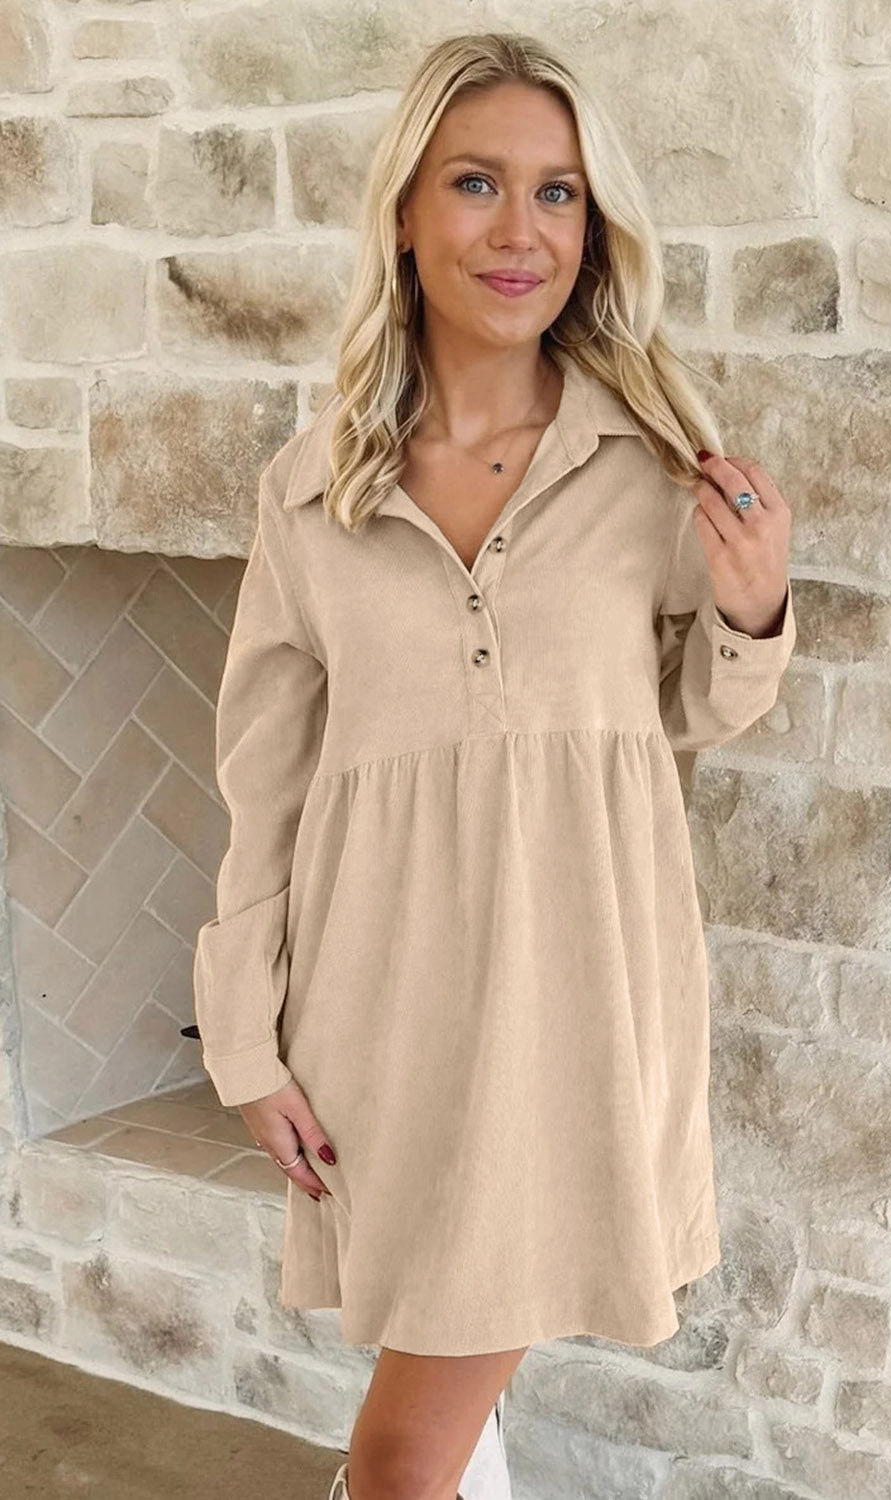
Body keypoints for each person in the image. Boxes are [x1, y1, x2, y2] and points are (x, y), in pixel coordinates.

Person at [192, 30, 796, 1500]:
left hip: (580, 993)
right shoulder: (311, 493)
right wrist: (244, 1039)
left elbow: (685, 716)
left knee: (403, 1457)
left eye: (558, 192)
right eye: (475, 183)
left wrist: (752, 610)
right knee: (430, 1413)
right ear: (405, 211)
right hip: (385, 1008)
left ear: (592, 230)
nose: (520, 230)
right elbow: (263, 783)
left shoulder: (649, 465)